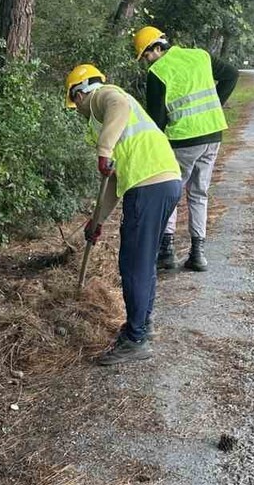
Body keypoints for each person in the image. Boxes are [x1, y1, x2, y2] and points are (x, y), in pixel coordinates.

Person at [65, 63, 182, 365]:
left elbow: (117, 103)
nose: (76, 109)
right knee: (143, 261)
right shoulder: (108, 119)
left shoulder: (105, 96)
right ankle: (142, 324)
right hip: (164, 180)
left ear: (79, 93)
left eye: (73, 101)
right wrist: (97, 220)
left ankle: (135, 338)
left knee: (133, 264)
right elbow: (113, 180)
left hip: (149, 183)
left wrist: (103, 150)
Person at [132, 26, 238, 273]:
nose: (146, 62)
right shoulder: (199, 55)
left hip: (183, 140)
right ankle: (198, 253)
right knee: (200, 193)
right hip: (212, 134)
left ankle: (167, 252)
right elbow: (231, 74)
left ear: (157, 48)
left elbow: (157, 121)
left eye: (146, 56)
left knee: (172, 191)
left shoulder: (158, 72)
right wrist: (216, 106)